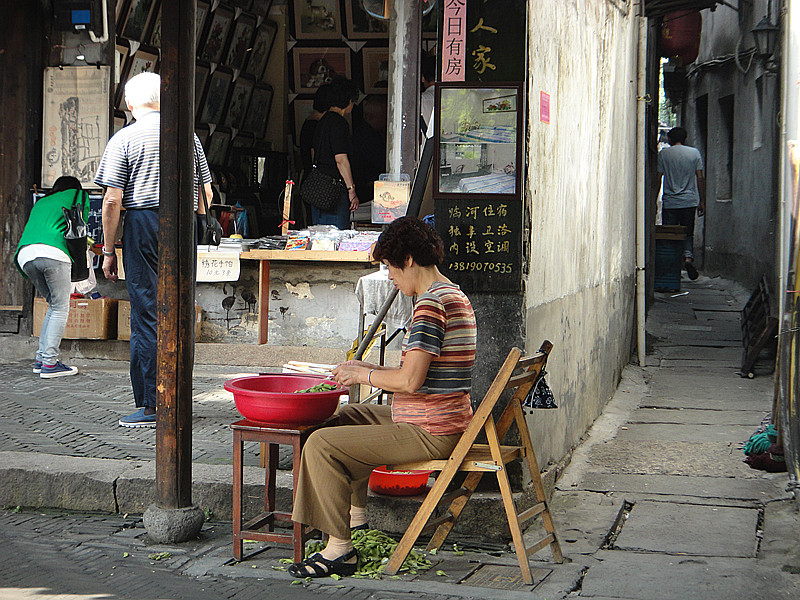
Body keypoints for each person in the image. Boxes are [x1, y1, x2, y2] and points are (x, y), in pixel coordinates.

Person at [288, 216, 477, 579]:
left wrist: (362, 373)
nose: (389, 276)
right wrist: (366, 366)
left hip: (431, 430)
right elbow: (421, 377)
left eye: (390, 266)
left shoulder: (430, 306)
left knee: (321, 444)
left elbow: (409, 380)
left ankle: (339, 550)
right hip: (439, 419)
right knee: (346, 417)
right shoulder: (453, 293)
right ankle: (355, 520)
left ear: (407, 260)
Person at [94, 72, 213, 428]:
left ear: (130, 104)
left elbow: (112, 200)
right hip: (183, 223)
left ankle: (152, 403)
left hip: (144, 223)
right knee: (179, 309)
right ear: (162, 99)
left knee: (147, 312)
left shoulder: (125, 138)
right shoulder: (188, 137)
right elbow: (207, 193)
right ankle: (179, 399)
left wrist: (109, 249)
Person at [14, 176, 88, 378]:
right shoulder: (79, 194)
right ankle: (50, 363)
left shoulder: (43, 201)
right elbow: (80, 226)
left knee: (53, 305)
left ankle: (41, 359)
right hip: (54, 253)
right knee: (60, 307)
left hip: (25, 254)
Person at [309, 77, 359, 229]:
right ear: (349, 101)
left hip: (317, 189)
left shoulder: (322, 121)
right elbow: (341, 160)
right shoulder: (339, 123)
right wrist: (352, 190)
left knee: (320, 237)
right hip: (333, 192)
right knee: (335, 236)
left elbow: (313, 152)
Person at [657, 126, 706, 280]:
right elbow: (700, 177)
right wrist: (702, 201)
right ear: (685, 139)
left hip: (671, 201)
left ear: (670, 140)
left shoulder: (664, 154)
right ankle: (688, 259)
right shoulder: (694, 153)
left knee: (670, 235)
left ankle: (672, 268)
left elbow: (658, 177)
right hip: (689, 200)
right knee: (687, 233)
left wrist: (653, 200)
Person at [351, 94, 387, 203]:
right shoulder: (367, 136)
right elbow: (378, 160)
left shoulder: (366, 132)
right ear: (372, 117)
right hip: (367, 186)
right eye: (383, 116)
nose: (386, 120)